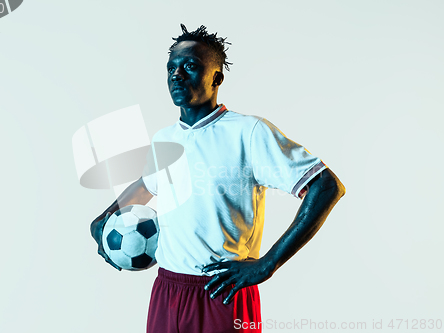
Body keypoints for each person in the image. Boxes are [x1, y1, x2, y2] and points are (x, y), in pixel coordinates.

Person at [90, 24, 346, 333]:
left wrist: (268, 263)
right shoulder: (165, 139)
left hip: (223, 292)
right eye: (171, 68)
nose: (177, 75)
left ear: (217, 78)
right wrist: (105, 216)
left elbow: (326, 186)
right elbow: (147, 185)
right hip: (168, 289)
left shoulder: (248, 132)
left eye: (190, 66)